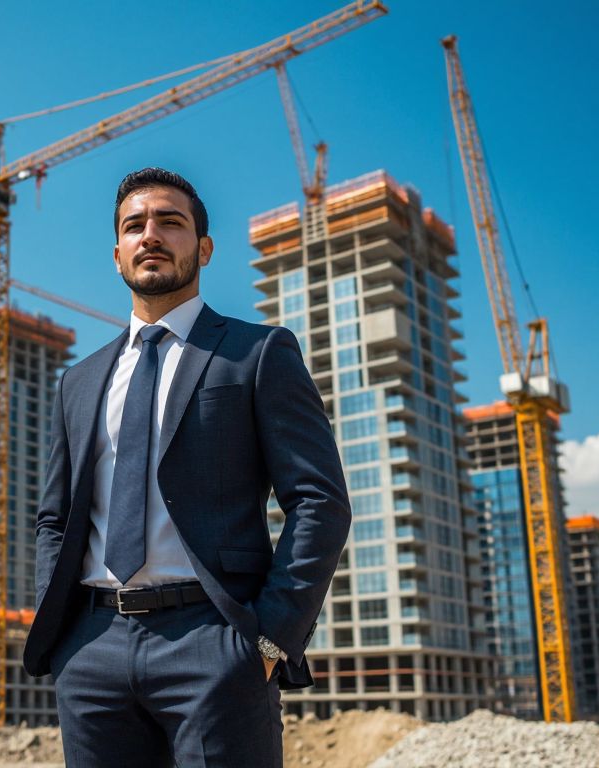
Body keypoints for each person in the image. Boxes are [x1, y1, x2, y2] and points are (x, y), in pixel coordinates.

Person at [22, 167, 352, 767]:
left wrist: (270, 638)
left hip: (213, 643)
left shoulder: (257, 352)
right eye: (134, 225)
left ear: (202, 247)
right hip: (91, 651)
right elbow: (55, 517)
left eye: (170, 222)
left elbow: (319, 499)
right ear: (116, 252)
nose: (151, 234)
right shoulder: (79, 380)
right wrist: (65, 633)